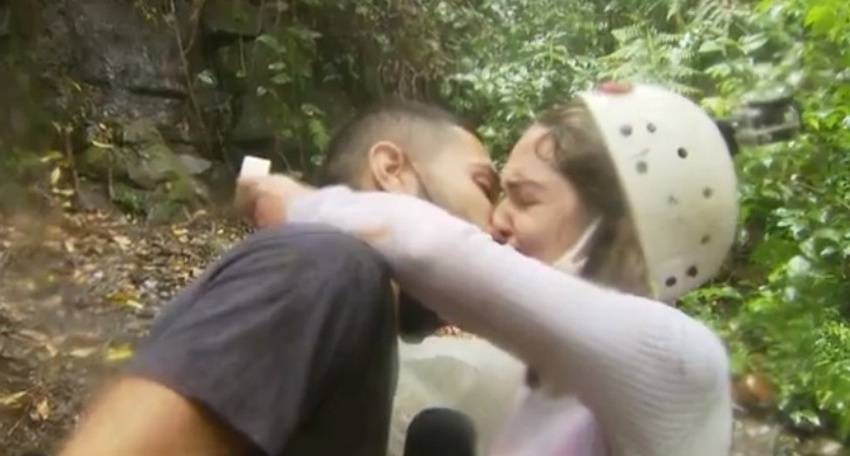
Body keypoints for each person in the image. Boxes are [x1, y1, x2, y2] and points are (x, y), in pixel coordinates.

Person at [244, 84, 738, 455]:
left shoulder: (681, 361)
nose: (497, 219)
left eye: (524, 198)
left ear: (619, 224)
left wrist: (300, 201)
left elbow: (434, 249)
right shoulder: (554, 390)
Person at [58, 100, 504, 456]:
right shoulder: (329, 265)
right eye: (485, 186)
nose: (501, 223)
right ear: (391, 170)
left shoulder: (356, 301)